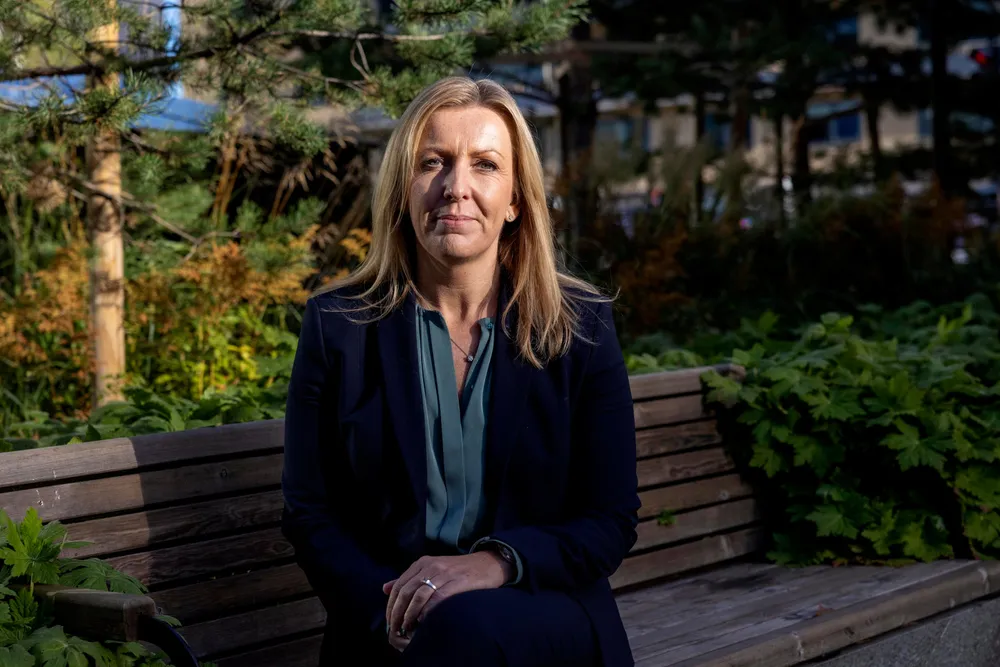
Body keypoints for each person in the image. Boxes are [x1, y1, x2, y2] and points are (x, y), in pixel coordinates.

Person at [281, 76, 640, 667]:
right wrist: (391, 609)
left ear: (516, 199)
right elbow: (310, 513)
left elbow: (609, 520)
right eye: (433, 162)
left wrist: (495, 562)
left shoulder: (580, 328)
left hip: (542, 609)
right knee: (450, 633)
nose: (456, 187)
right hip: (389, 625)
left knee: (462, 627)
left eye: (485, 165)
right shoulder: (339, 327)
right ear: (403, 189)